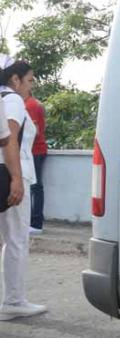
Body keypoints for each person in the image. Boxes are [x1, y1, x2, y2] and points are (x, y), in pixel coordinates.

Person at [0, 57, 47, 321]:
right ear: (14, 79)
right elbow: (10, 140)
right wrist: (17, 179)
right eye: (29, 80)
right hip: (11, 175)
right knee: (16, 239)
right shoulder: (13, 100)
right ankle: (14, 301)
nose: (31, 86)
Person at [25, 93, 47, 234]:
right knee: (34, 186)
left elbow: (35, 131)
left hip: (34, 150)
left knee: (35, 186)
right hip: (36, 150)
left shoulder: (30, 105)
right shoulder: (32, 103)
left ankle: (36, 223)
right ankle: (35, 221)